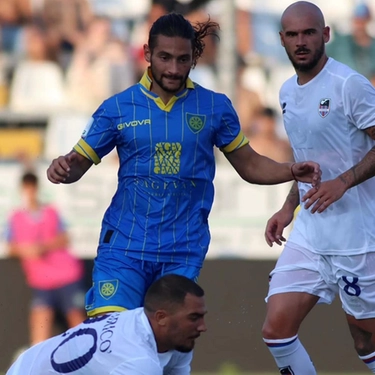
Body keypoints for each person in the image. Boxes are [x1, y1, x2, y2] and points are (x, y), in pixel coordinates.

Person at [46, 12, 321, 318]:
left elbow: (250, 165)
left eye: (183, 59)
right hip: (125, 247)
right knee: (115, 341)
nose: (174, 69)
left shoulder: (214, 108)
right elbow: (77, 165)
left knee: (166, 348)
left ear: (194, 58)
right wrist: (62, 169)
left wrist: (289, 170)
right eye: (165, 57)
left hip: (182, 251)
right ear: (148, 53)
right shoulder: (117, 108)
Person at [262, 2, 375, 374]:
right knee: (276, 330)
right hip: (310, 233)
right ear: (281, 40)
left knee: (365, 341)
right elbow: (306, 160)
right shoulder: (286, 92)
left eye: (309, 32)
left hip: (357, 238)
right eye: (292, 35)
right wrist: (287, 208)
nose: (301, 41)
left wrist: (343, 182)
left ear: (325, 34)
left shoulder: (348, 86)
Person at [6, 274, 207, 375]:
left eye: (201, 316)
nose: (202, 327)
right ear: (161, 317)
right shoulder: (139, 361)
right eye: (193, 318)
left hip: (27, 363)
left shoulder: (150, 325)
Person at [5, 171, 86, 346]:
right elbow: (10, 247)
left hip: (66, 275)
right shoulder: (16, 217)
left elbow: (64, 238)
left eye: (32, 188)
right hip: (40, 279)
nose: (30, 193)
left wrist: (42, 247)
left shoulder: (51, 212)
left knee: (77, 321)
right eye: (26, 189)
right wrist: (26, 250)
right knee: (40, 324)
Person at [326, 2, 375, 83]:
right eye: (357, 21)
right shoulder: (341, 44)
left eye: (362, 21)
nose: (359, 25)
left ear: (368, 20)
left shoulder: (373, 46)